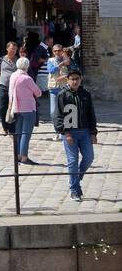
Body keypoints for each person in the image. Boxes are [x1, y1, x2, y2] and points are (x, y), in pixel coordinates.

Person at [53, 68, 97, 202]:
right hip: (70, 133)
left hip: (84, 131)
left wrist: (93, 132)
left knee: (89, 157)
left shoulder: (85, 94)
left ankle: (76, 178)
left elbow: (91, 114)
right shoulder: (63, 95)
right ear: (68, 80)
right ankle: (74, 190)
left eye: (77, 79)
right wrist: (65, 133)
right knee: (72, 161)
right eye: (72, 79)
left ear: (81, 79)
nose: (75, 81)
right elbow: (58, 116)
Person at [7, 57, 42, 165]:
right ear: (27, 66)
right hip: (28, 109)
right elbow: (38, 93)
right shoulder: (27, 79)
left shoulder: (13, 76)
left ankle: (17, 155)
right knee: (26, 134)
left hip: (16, 108)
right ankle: (24, 157)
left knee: (18, 134)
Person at [0, 41, 19, 135]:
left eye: (15, 49)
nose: (13, 51)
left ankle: (12, 128)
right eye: (12, 49)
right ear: (7, 49)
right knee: (2, 108)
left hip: (15, 88)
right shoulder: (1, 59)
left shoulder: (18, 60)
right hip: (3, 86)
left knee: (13, 108)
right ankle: (5, 127)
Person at [46, 45, 71, 139]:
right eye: (55, 51)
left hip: (64, 88)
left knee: (65, 110)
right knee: (53, 112)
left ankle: (65, 131)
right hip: (54, 88)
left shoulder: (67, 60)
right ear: (53, 52)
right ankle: (57, 130)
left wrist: (65, 76)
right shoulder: (50, 61)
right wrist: (60, 64)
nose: (57, 52)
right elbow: (51, 70)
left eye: (59, 50)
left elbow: (72, 71)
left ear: (62, 51)